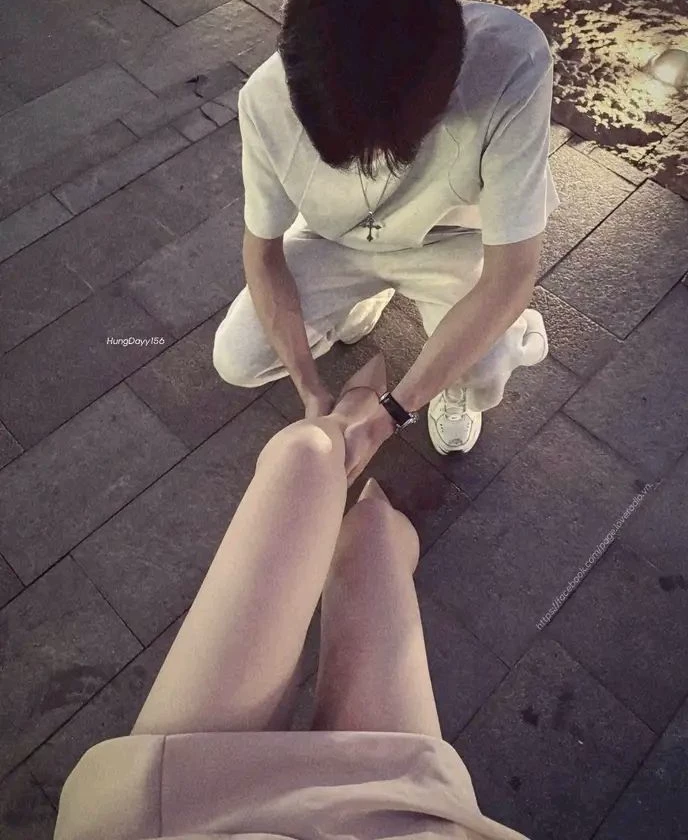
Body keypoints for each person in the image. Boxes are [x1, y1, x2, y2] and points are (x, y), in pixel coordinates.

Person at [55, 352, 529, 840]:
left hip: (182, 813)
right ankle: (358, 456)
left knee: (306, 451)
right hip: (392, 826)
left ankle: (348, 418)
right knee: (373, 531)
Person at [212, 0, 557, 481]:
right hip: (335, 236)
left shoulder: (512, 60)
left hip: (455, 238)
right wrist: (310, 389)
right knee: (237, 357)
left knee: (483, 365)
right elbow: (263, 252)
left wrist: (393, 413)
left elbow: (511, 272)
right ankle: (368, 296)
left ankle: (498, 350)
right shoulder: (266, 99)